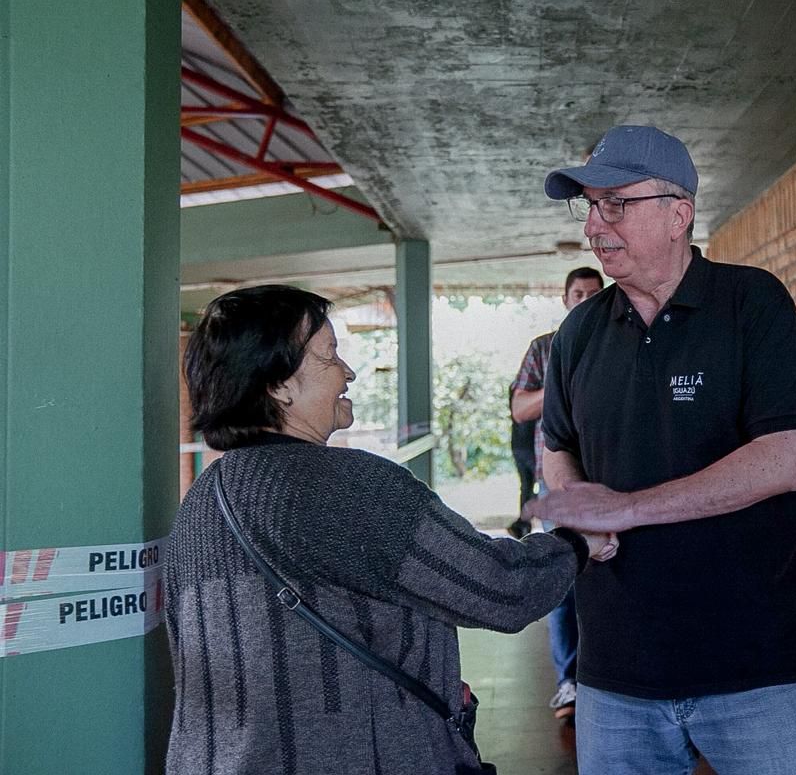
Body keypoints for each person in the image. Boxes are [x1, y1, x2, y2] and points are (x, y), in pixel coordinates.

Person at [166, 284, 613, 775]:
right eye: (329, 355)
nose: (348, 372)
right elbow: (499, 588)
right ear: (279, 385)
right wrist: (575, 542)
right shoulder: (349, 487)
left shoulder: (202, 502)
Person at [524, 125, 796, 775]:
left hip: (760, 667)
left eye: (616, 204)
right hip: (616, 670)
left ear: (678, 212)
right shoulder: (578, 332)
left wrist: (627, 508)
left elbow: (785, 458)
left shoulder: (754, 303)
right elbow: (557, 445)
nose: (594, 227)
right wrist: (577, 503)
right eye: (590, 207)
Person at [511, 266, 605, 719]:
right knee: (565, 578)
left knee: (611, 576)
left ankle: (606, 675)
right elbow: (519, 407)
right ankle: (568, 680)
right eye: (578, 293)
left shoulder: (619, 337)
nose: (585, 299)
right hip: (559, 481)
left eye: (594, 292)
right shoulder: (545, 348)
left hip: (612, 481)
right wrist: (562, 387)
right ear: (565, 298)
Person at [507, 407, 537, 538]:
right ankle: (523, 522)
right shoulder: (532, 388)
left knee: (526, 486)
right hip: (530, 447)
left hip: (519, 445)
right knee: (540, 485)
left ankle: (523, 523)